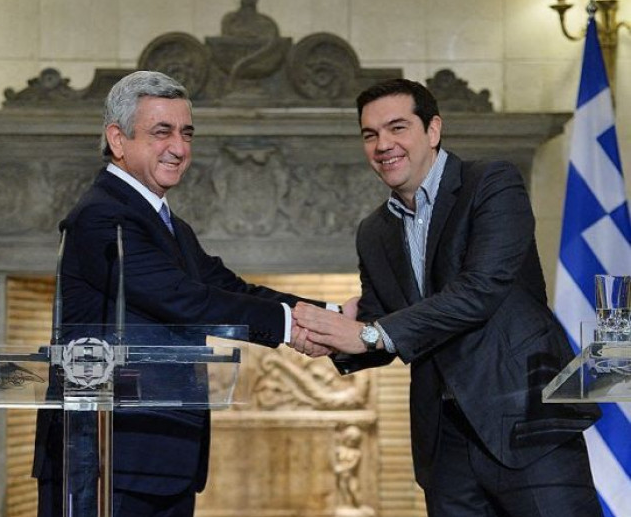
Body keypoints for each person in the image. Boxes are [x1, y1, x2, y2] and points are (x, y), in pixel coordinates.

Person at [291, 78, 603, 516]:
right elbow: (380, 320)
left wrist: (366, 334)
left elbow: (479, 291)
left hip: (526, 420)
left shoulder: (491, 182)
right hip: (444, 442)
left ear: (433, 129)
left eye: (397, 128)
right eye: (370, 134)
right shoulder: (374, 231)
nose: (383, 145)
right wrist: (325, 332)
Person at [32, 70, 332, 517]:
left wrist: (328, 315)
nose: (179, 147)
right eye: (162, 132)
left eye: (186, 133)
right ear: (118, 139)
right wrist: (293, 327)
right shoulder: (102, 217)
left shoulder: (166, 222)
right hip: (105, 462)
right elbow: (184, 301)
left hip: (159, 458)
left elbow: (225, 287)